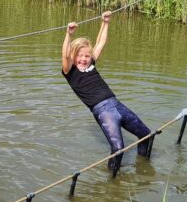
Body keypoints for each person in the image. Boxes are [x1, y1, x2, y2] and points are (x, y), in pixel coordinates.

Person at [62, 12, 153, 173]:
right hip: (103, 111)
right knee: (118, 149)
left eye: (87, 56)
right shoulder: (70, 71)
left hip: (117, 105)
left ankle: (142, 166)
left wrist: (106, 22)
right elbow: (65, 55)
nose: (84, 59)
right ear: (73, 55)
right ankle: (112, 184)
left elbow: (100, 42)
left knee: (147, 135)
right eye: (80, 56)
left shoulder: (91, 64)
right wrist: (68, 35)